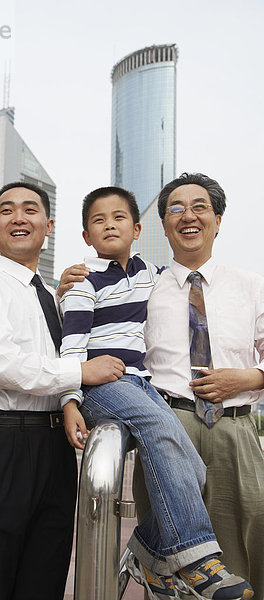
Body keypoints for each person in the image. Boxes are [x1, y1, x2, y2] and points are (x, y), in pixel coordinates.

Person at [58, 186, 253, 600]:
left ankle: (145, 551)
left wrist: (248, 377)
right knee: (160, 426)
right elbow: (71, 345)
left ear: (138, 228)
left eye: (119, 218)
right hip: (109, 386)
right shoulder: (82, 281)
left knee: (193, 473)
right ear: (85, 235)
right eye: (98, 220)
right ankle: (197, 561)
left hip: (150, 388)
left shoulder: (153, 274)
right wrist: (69, 399)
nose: (109, 225)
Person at [0, 181, 126, 600]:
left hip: (55, 452)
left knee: (44, 578)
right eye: (7, 211)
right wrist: (81, 372)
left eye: (30, 210)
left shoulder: (53, 297)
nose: (18, 217)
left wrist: (70, 401)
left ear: (48, 226)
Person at [136, 172, 264, 599]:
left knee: (250, 542)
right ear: (164, 224)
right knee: (172, 561)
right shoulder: (143, 287)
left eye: (199, 207)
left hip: (236, 429)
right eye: (175, 208)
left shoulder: (251, 285)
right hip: (168, 428)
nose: (187, 216)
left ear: (218, 220)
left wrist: (248, 377)